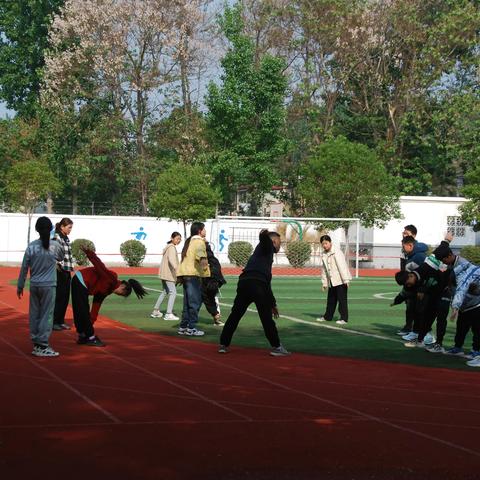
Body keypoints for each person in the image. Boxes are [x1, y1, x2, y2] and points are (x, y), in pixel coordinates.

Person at [219, 229, 289, 356]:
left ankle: (223, 344)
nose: (280, 245)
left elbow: (268, 284)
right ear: (273, 241)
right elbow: (265, 241)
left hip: (245, 282)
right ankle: (277, 347)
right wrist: (263, 235)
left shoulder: (263, 253)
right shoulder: (266, 247)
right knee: (266, 318)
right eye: (279, 242)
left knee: (235, 315)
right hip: (257, 284)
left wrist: (272, 304)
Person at [71, 247, 147, 346]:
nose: (119, 294)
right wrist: (90, 254)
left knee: (80, 310)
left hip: (81, 283)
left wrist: (92, 321)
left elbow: (95, 307)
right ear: (122, 286)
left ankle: (83, 335)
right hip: (81, 280)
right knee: (82, 310)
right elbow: (100, 267)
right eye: (121, 293)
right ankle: (90, 337)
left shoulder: (107, 291)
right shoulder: (111, 278)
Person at [17, 217, 64, 357]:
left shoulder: (31, 246)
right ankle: (43, 344)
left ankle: (36, 343)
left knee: (35, 314)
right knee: (46, 315)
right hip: (49, 285)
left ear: (37, 229)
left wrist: (20, 286)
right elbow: (61, 257)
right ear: (50, 229)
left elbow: (24, 267)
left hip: (35, 285)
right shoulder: (55, 246)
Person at [176, 222, 210, 336]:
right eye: (204, 229)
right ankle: (191, 328)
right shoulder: (199, 242)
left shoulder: (189, 241)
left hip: (185, 274)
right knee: (194, 302)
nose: (205, 231)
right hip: (193, 275)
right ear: (200, 231)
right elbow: (201, 257)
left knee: (187, 303)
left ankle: (183, 326)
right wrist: (206, 271)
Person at [397, 225, 428, 336]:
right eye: (403, 233)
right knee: (410, 306)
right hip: (410, 282)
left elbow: (423, 272)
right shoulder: (404, 249)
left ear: (413, 236)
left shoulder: (418, 253)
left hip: (418, 284)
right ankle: (409, 327)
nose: (404, 234)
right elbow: (404, 266)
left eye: (406, 233)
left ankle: (420, 332)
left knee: (419, 308)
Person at [316, 234, 352, 325]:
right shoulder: (324, 254)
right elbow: (324, 269)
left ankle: (344, 318)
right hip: (332, 281)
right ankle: (327, 317)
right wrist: (324, 283)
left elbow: (342, 266)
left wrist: (346, 280)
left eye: (326, 243)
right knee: (331, 300)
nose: (325, 245)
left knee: (342, 300)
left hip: (340, 280)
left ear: (330, 242)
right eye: (323, 244)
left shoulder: (337, 252)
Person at [150, 231, 181, 320]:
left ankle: (155, 311)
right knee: (173, 292)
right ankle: (168, 313)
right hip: (168, 274)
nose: (178, 240)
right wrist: (177, 271)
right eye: (177, 239)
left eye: (179, 239)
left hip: (164, 273)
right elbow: (172, 260)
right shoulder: (171, 248)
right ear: (172, 238)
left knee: (165, 291)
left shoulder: (168, 247)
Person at [52, 217, 74, 331]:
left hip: (66, 269)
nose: (70, 230)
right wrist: (57, 264)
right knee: (59, 296)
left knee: (65, 297)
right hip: (60, 270)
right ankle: (55, 321)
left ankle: (60, 321)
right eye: (69, 227)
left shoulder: (66, 238)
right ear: (62, 227)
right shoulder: (57, 237)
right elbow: (52, 252)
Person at [202, 241, 227, 326]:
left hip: (211, 279)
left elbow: (204, 267)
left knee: (205, 297)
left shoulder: (205, 255)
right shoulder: (210, 255)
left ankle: (216, 315)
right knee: (211, 297)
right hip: (215, 278)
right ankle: (216, 316)